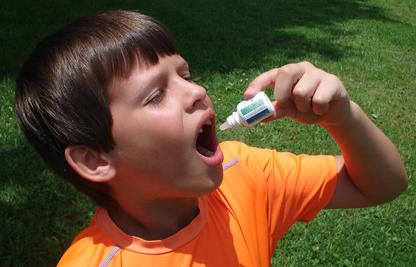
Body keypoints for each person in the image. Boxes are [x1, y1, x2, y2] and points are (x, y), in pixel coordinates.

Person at [15, 10, 407, 267]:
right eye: (155, 95)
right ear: (95, 159)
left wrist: (343, 117)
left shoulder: (244, 174)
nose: (196, 91)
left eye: (184, 75)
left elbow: (381, 185)